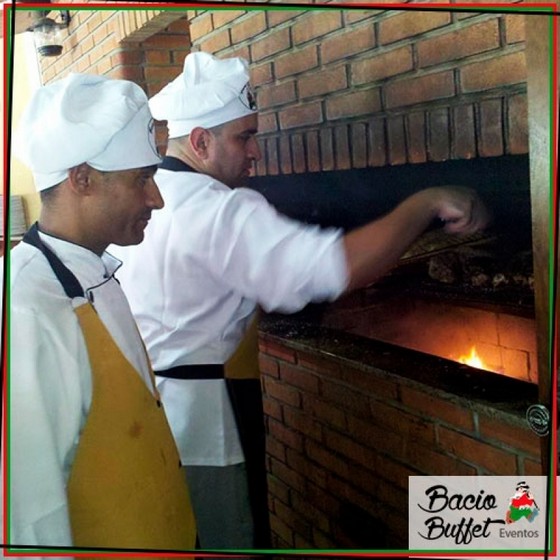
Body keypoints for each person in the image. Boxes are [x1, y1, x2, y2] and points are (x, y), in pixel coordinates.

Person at [112, 52, 490, 549]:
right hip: (207, 424)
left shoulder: (146, 199)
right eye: (244, 136)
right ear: (201, 141)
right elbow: (336, 268)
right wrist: (427, 202)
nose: (255, 153)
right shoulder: (220, 210)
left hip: (151, 417)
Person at [7, 73, 196, 553]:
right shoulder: (29, 308)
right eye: (143, 179)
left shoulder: (92, 271)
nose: (157, 198)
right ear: (82, 179)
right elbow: (30, 518)